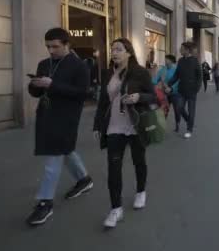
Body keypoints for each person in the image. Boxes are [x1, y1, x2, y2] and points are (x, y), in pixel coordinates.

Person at [26, 28, 93, 226]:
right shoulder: (44, 64)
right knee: (66, 150)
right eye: (48, 46)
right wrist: (36, 85)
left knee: (53, 157)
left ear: (67, 45)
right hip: (46, 115)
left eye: (55, 46)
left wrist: (52, 85)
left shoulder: (79, 66)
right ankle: (84, 180)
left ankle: (45, 202)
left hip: (67, 118)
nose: (51, 51)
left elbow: (83, 93)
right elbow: (35, 93)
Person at [92, 38, 156, 228]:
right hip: (114, 127)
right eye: (112, 49)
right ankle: (115, 209)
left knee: (139, 161)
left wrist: (139, 96)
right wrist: (97, 125)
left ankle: (141, 192)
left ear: (129, 52)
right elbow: (103, 102)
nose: (114, 52)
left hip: (135, 126)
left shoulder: (140, 72)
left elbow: (154, 97)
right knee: (113, 169)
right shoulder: (107, 74)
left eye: (119, 49)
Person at [167, 42, 202, 139]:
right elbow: (177, 75)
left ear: (187, 50)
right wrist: (170, 84)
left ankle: (189, 129)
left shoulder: (195, 61)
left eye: (181, 48)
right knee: (179, 107)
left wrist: (197, 88)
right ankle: (189, 120)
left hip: (192, 91)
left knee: (191, 111)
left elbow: (199, 76)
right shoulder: (180, 61)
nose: (180, 50)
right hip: (181, 90)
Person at [153, 55, 181, 131]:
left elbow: (178, 81)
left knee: (177, 110)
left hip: (175, 93)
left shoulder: (176, 69)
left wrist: (171, 88)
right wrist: (151, 83)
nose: (165, 61)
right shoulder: (162, 70)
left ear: (171, 61)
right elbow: (155, 79)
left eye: (167, 59)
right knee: (164, 110)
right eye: (165, 59)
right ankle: (162, 125)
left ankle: (177, 123)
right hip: (165, 94)